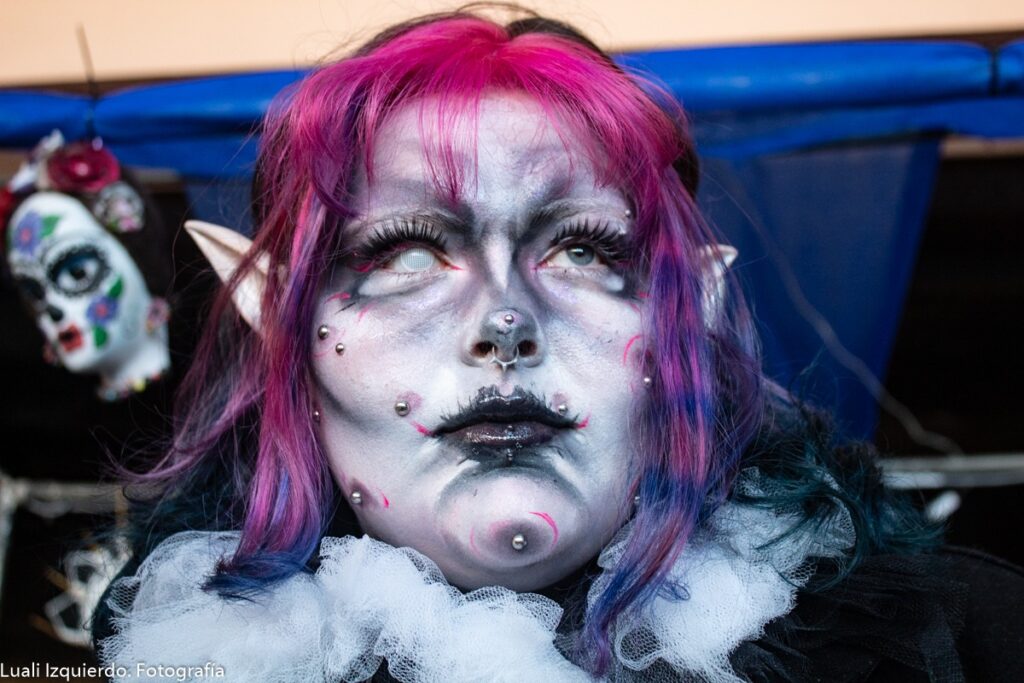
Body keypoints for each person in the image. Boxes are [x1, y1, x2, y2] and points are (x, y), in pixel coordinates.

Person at [91, 9, 1023, 682]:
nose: (506, 320)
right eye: (404, 250)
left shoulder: (970, 642)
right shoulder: (185, 661)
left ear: (686, 310)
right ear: (283, 322)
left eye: (585, 249)